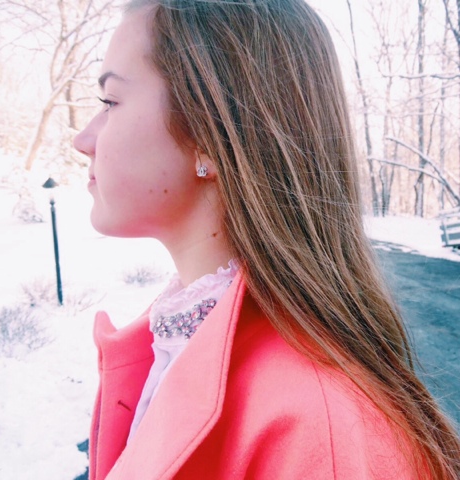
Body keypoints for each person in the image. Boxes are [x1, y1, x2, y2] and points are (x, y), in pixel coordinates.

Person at [73, 0, 460, 478]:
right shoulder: (177, 344)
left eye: (110, 103)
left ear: (208, 137)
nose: (83, 140)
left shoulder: (314, 431)